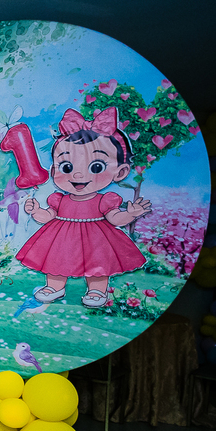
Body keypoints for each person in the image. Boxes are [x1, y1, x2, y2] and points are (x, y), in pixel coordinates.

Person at [16, 107, 150, 308]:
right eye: (66, 167)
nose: (77, 175)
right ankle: (54, 287)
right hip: (61, 237)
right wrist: (35, 210)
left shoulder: (105, 200)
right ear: (53, 171)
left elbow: (114, 218)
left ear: (120, 172)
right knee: (55, 259)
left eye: (96, 167)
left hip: (96, 238)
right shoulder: (59, 200)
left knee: (98, 261)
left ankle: (97, 290)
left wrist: (130, 214)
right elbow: (47, 216)